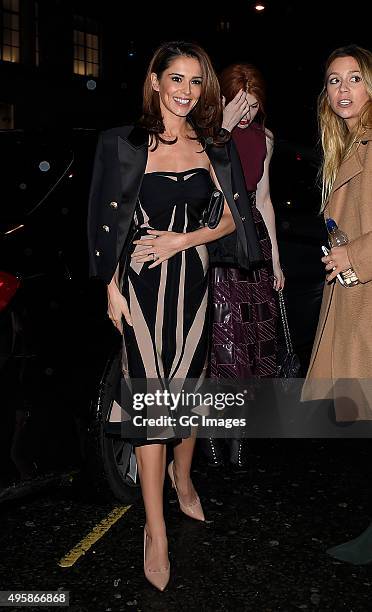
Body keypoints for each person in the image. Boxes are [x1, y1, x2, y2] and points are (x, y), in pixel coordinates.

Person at [87, 41, 262, 591]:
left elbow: (236, 220)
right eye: (176, 80)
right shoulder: (121, 143)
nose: (186, 92)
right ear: (156, 81)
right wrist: (111, 289)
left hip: (193, 287)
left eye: (195, 82)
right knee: (151, 403)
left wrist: (183, 241)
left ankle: (184, 479)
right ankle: (155, 530)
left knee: (186, 391)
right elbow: (102, 223)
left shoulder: (212, 145)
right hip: (140, 289)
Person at [301, 45, 372, 563]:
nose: (343, 89)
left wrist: (356, 253)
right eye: (333, 80)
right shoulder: (351, 144)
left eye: (355, 78)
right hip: (355, 296)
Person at [203, 63, 285, 469]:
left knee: (252, 340)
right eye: (241, 104)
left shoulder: (265, 138)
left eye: (253, 105)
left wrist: (277, 260)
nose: (247, 113)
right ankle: (212, 432)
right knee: (221, 338)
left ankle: (238, 431)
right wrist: (221, 125)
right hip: (218, 234)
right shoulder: (208, 132)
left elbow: (265, 199)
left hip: (251, 237)